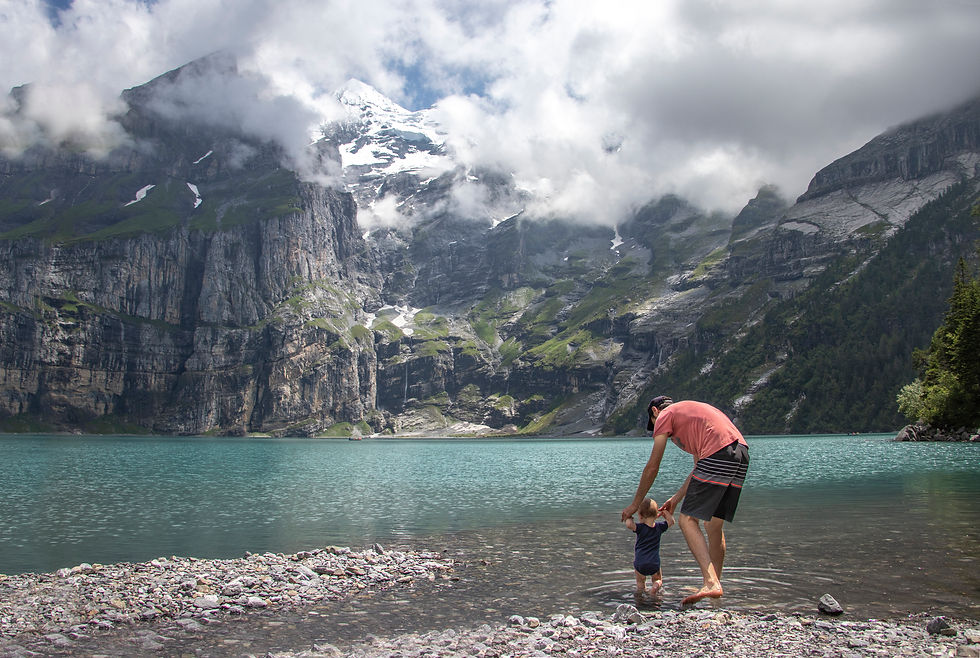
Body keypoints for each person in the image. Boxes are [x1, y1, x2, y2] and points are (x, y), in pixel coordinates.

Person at [621, 396, 749, 605]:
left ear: (654, 411)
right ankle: (715, 584)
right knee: (713, 524)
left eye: (654, 426)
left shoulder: (664, 416)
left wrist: (635, 504)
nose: (660, 432)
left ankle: (710, 582)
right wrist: (677, 498)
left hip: (717, 453)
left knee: (687, 521)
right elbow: (699, 468)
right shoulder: (693, 416)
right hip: (740, 453)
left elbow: (653, 465)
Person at [624, 497, 675, 596]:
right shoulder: (660, 527)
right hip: (654, 563)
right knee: (658, 580)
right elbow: (671, 521)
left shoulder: (640, 528)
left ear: (640, 516)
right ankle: (654, 588)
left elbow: (629, 525)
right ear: (657, 515)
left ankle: (640, 600)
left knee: (640, 584)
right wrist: (665, 512)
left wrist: (629, 516)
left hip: (640, 563)